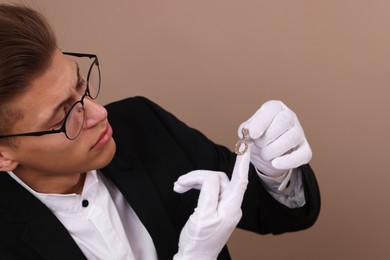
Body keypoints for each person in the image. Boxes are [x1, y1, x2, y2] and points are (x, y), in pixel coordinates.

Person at [0, 4, 320, 260]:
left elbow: (276, 213)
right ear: (3, 155)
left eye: (81, 83)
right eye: (66, 115)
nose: (99, 113)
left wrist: (274, 174)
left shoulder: (143, 124)